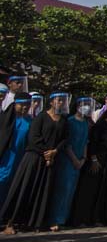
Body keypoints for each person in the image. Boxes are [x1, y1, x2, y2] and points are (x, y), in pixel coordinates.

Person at [0, 91, 69, 234]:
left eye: (63, 100)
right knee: (21, 189)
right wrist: (47, 153)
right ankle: (10, 222)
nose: (61, 103)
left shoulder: (63, 120)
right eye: (58, 100)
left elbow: (64, 139)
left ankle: (34, 222)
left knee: (42, 191)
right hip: (32, 158)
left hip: (49, 161)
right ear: (51, 101)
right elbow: (34, 138)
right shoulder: (41, 117)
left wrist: (54, 152)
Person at [70, 100, 107, 227]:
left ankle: (100, 217)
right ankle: (83, 218)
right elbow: (93, 143)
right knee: (91, 189)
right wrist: (94, 159)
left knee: (106, 189)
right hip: (98, 159)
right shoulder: (100, 125)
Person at [46, 96, 93, 230]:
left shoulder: (85, 123)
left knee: (71, 191)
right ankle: (54, 219)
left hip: (79, 161)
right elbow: (67, 143)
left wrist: (83, 159)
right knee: (62, 189)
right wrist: (74, 159)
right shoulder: (70, 121)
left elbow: (85, 142)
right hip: (67, 160)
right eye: (85, 104)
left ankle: (64, 219)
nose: (87, 107)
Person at [0, 93, 32, 205]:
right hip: (6, 156)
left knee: (12, 184)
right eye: (21, 104)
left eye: (27, 105)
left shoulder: (30, 121)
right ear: (15, 104)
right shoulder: (5, 118)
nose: (25, 107)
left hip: (20, 157)